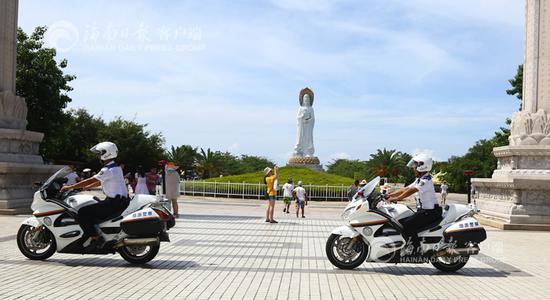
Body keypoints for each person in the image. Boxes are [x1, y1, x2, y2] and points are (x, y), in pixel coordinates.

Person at [60, 141, 129, 250]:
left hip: (113, 203)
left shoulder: (107, 169)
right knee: (92, 207)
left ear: (105, 153)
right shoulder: (116, 167)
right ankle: (96, 232)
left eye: (100, 153)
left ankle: (96, 237)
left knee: (82, 212)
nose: (98, 156)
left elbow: (91, 179)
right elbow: (99, 181)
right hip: (119, 201)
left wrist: (70, 187)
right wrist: (87, 188)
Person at [386, 153, 441, 255]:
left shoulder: (426, 180)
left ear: (422, 166)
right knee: (401, 219)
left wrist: (396, 198)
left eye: (415, 166)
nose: (413, 169)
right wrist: (389, 195)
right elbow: (406, 188)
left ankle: (416, 250)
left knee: (407, 224)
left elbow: (411, 191)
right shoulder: (419, 179)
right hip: (424, 211)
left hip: (430, 212)